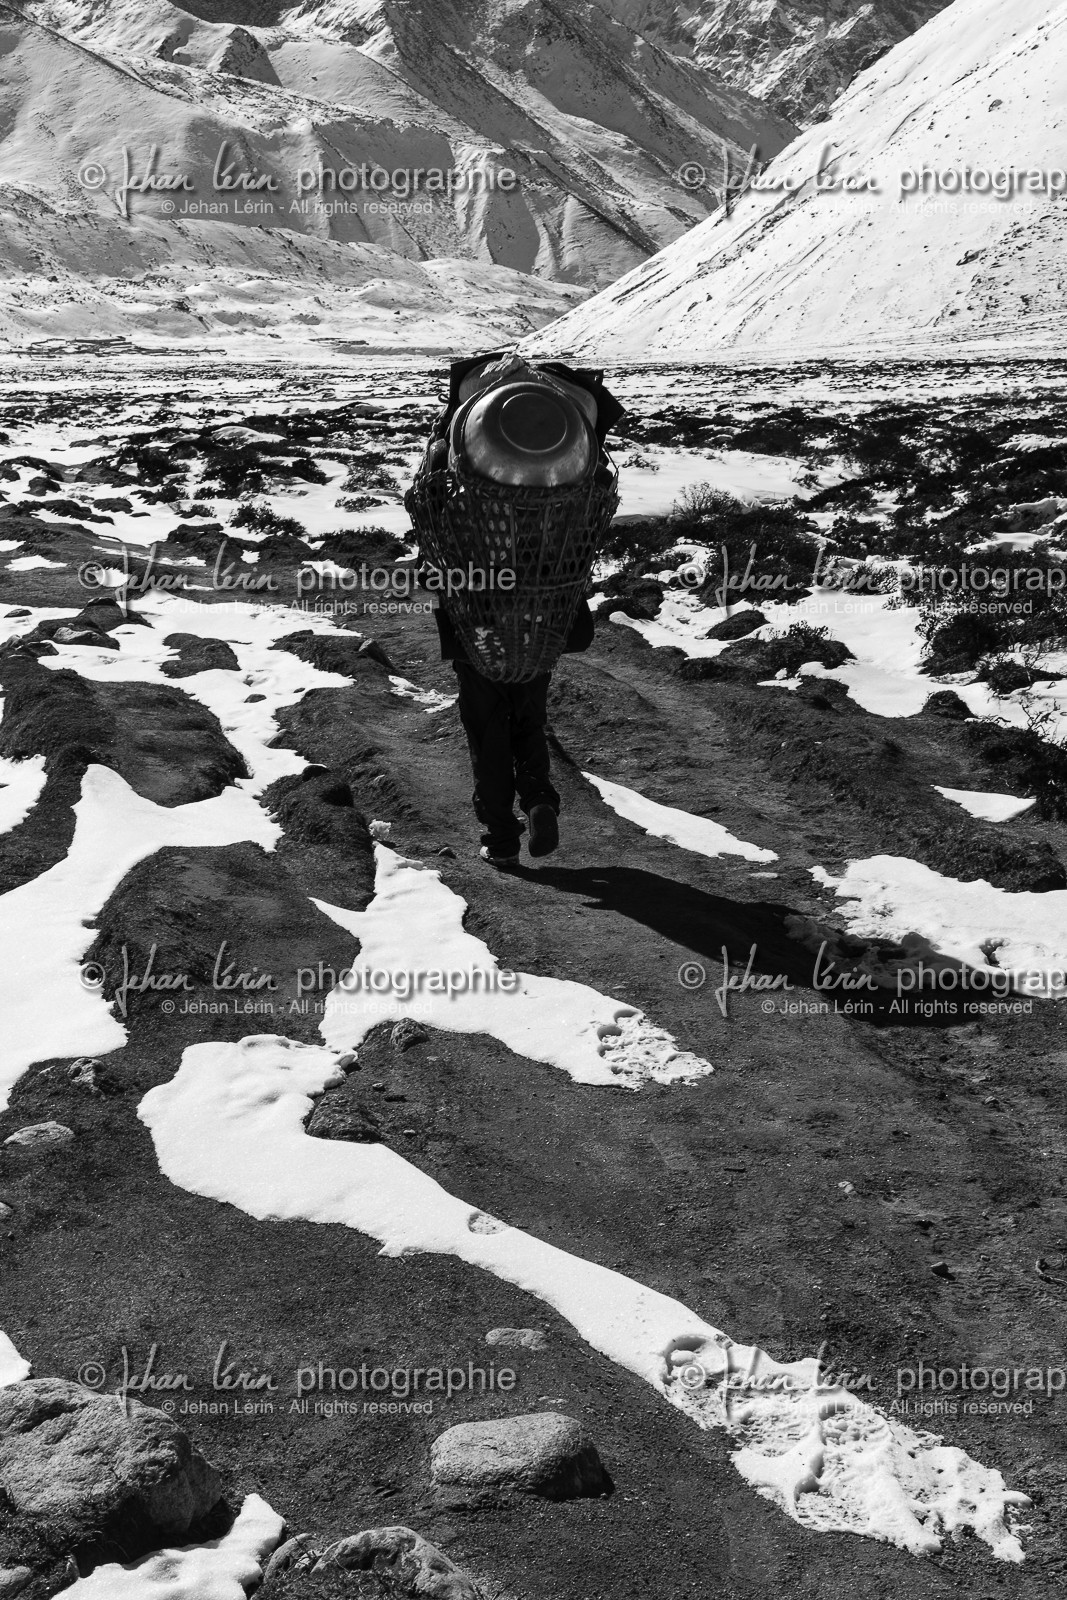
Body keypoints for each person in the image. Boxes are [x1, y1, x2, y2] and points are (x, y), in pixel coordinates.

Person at [412, 352, 623, 868]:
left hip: (477, 621)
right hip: (542, 617)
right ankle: (538, 798)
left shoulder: (453, 473)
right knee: (528, 717)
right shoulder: (566, 482)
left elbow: (431, 543)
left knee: (487, 729)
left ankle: (501, 838)